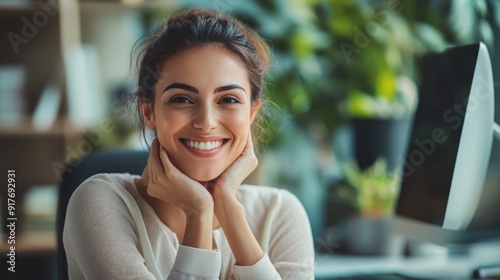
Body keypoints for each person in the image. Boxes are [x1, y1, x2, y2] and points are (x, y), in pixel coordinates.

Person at [63, 8, 314, 280]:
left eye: (228, 99)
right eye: (181, 99)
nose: (206, 122)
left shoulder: (280, 214)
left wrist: (228, 210)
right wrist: (199, 213)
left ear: (252, 112)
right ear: (149, 112)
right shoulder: (99, 201)